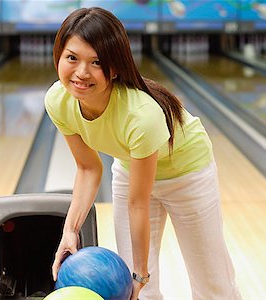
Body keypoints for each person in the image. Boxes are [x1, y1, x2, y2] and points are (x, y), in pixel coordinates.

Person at [45, 7, 241, 300]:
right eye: (72, 58)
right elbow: (88, 169)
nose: (82, 73)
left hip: (188, 174)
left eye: (96, 62)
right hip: (130, 170)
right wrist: (70, 231)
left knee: (212, 284)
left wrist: (141, 272)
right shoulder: (58, 101)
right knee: (140, 292)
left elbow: (139, 203)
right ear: (58, 55)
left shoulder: (142, 115)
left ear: (114, 67)